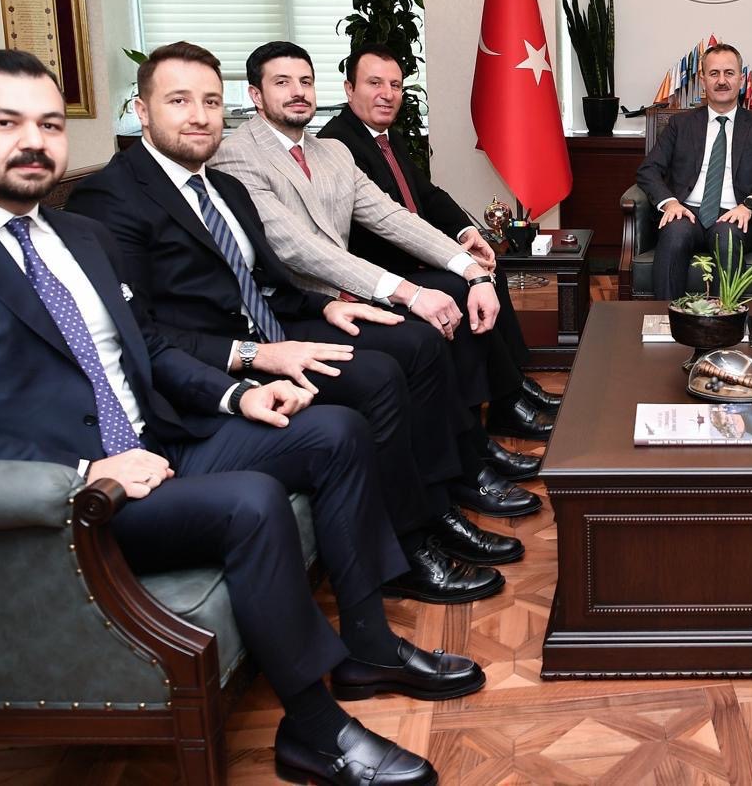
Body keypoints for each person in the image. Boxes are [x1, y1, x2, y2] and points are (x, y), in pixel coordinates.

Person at [0, 50, 474, 786]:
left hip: (162, 441)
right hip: (79, 493)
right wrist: (83, 470)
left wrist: (237, 396)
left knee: (334, 432)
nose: (34, 141)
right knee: (252, 501)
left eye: (50, 124)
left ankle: (368, 646)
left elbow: (144, 347)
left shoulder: (76, 236)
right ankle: (315, 732)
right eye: (4, 123)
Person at [66, 42, 522, 604]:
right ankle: (411, 543)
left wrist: (325, 306)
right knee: (381, 373)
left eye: (210, 101)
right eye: (179, 101)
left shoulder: (227, 183)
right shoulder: (114, 197)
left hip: (282, 320)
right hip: (222, 361)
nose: (199, 115)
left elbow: (269, 274)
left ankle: (443, 497)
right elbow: (145, 330)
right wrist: (261, 353)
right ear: (141, 110)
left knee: (419, 342)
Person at [211, 41, 541, 520]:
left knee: (442, 319)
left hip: (348, 297)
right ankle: (456, 479)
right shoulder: (235, 155)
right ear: (256, 95)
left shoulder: (332, 152)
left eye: (305, 81)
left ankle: (468, 459)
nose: (298, 92)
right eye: (282, 82)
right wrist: (410, 292)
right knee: (423, 338)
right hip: (296, 309)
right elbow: (298, 248)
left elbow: (392, 217)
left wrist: (471, 269)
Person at [316, 42, 561, 436]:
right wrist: (447, 257)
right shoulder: (338, 145)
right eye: (374, 83)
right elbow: (380, 225)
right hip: (381, 269)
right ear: (349, 89)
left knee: (487, 273)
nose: (387, 94)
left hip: (414, 253)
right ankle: (498, 407)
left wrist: (467, 232)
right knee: (463, 285)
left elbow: (428, 196)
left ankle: (513, 386)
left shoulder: (387, 137)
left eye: (395, 85)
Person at [634, 43, 752, 301]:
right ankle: (666, 317)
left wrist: (749, 204)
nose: (721, 81)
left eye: (729, 73)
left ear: (741, 79)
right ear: (703, 80)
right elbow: (648, 169)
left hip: (735, 214)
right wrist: (670, 202)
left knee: (727, 237)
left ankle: (725, 319)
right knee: (674, 233)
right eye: (714, 73)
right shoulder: (680, 124)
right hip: (687, 211)